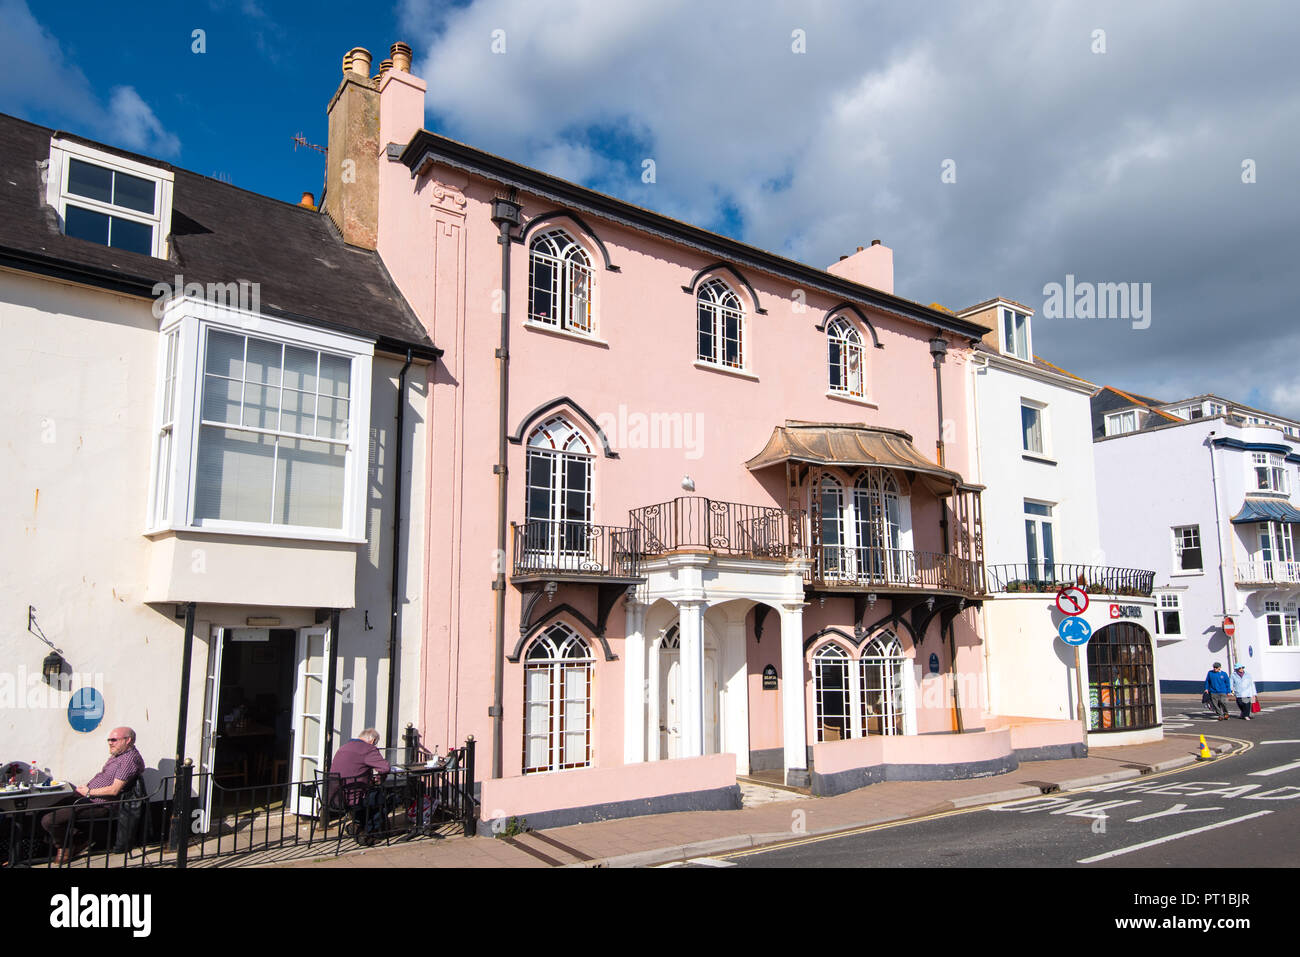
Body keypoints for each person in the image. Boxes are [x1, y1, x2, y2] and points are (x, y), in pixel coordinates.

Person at [40, 726, 145, 865]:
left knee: (49, 820)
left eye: (114, 740)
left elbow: (114, 790)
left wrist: (89, 792)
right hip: (87, 797)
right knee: (42, 812)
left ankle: (67, 846)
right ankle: (80, 839)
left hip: (100, 804)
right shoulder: (118, 755)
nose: (110, 743)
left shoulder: (128, 759)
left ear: (128, 740)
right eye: (109, 740)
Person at [329, 729, 391, 845]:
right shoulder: (368, 749)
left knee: (372, 796)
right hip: (354, 797)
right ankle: (371, 831)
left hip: (336, 796)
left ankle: (358, 825)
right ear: (372, 741)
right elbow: (385, 768)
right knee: (386, 797)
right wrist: (378, 779)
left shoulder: (344, 747)